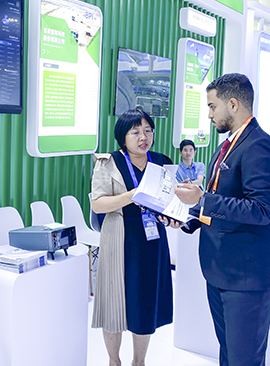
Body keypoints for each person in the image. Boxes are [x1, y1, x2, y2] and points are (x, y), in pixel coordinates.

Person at [173, 73, 270, 366]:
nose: (209, 115)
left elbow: (261, 210)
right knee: (229, 354)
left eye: (212, 107)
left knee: (244, 359)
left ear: (233, 104)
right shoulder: (226, 146)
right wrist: (185, 217)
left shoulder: (260, 147)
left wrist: (203, 200)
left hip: (247, 276)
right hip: (221, 271)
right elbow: (221, 197)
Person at [91, 109, 173, 366]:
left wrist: (172, 216)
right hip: (119, 240)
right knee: (113, 303)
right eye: (135, 132)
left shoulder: (161, 161)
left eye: (148, 130)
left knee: (145, 303)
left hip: (151, 241)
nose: (143, 137)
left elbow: (168, 200)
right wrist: (131, 195)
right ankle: (114, 361)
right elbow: (97, 204)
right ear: (122, 136)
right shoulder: (108, 162)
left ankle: (139, 361)